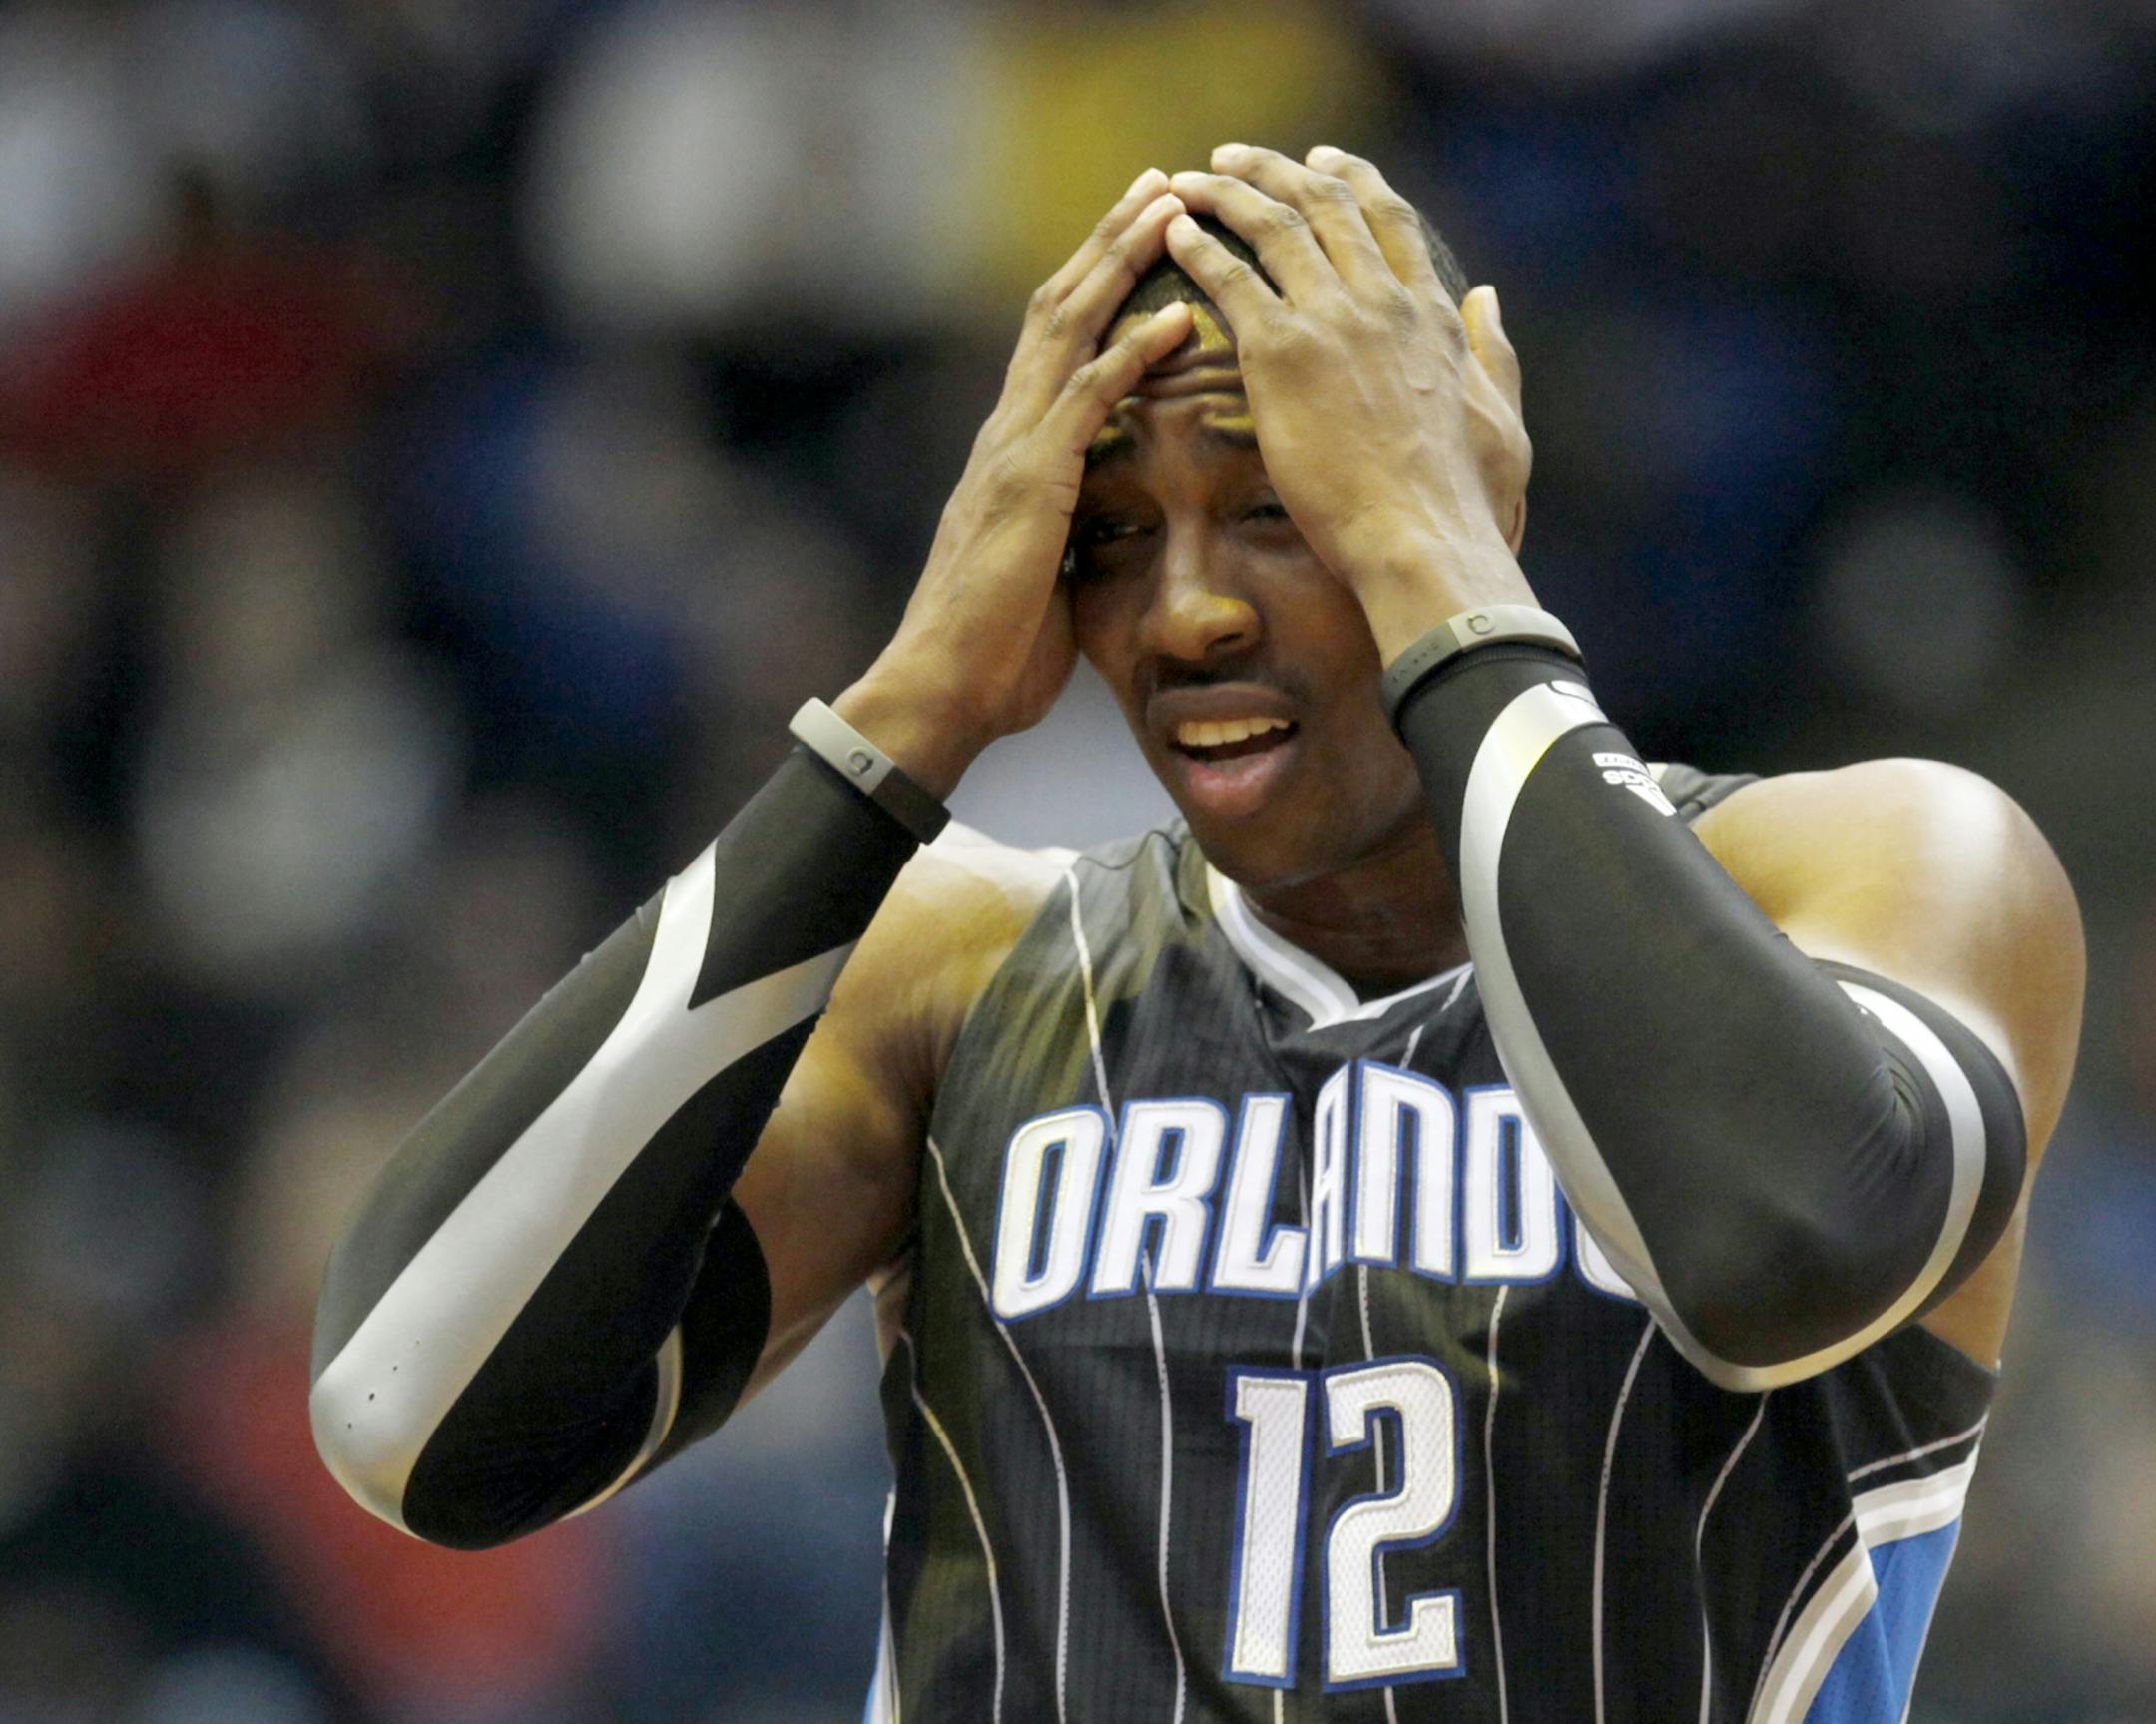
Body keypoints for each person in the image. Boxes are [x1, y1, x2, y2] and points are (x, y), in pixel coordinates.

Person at [310, 149, 2084, 1720]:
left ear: (1467, 467)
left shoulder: (1876, 861)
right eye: (1105, 534)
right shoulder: (960, 962)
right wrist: (902, 719)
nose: (1192, 609)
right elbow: (411, 1415)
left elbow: (1780, 1242)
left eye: (1279, 501)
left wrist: (1441, 569)